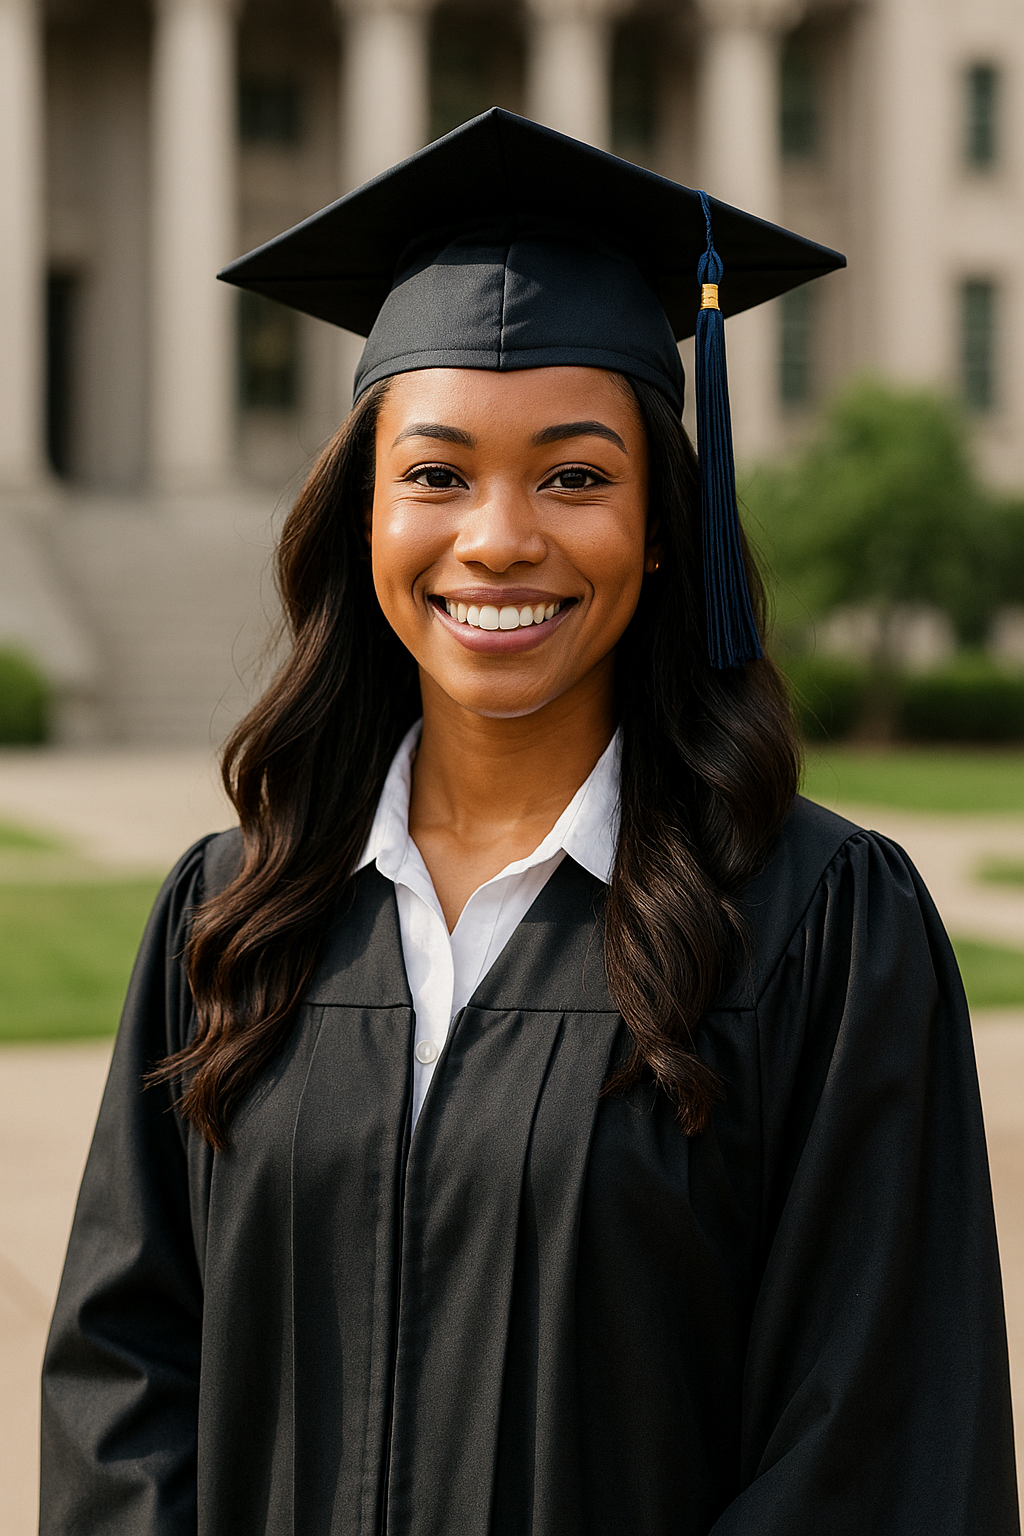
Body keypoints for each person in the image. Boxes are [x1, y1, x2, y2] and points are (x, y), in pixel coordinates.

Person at [40, 110, 1018, 1535]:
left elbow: (871, 1445)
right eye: (434, 474)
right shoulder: (235, 918)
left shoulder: (817, 932)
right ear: (362, 518)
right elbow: (122, 1390)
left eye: (574, 475)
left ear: (664, 523)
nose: (498, 538)